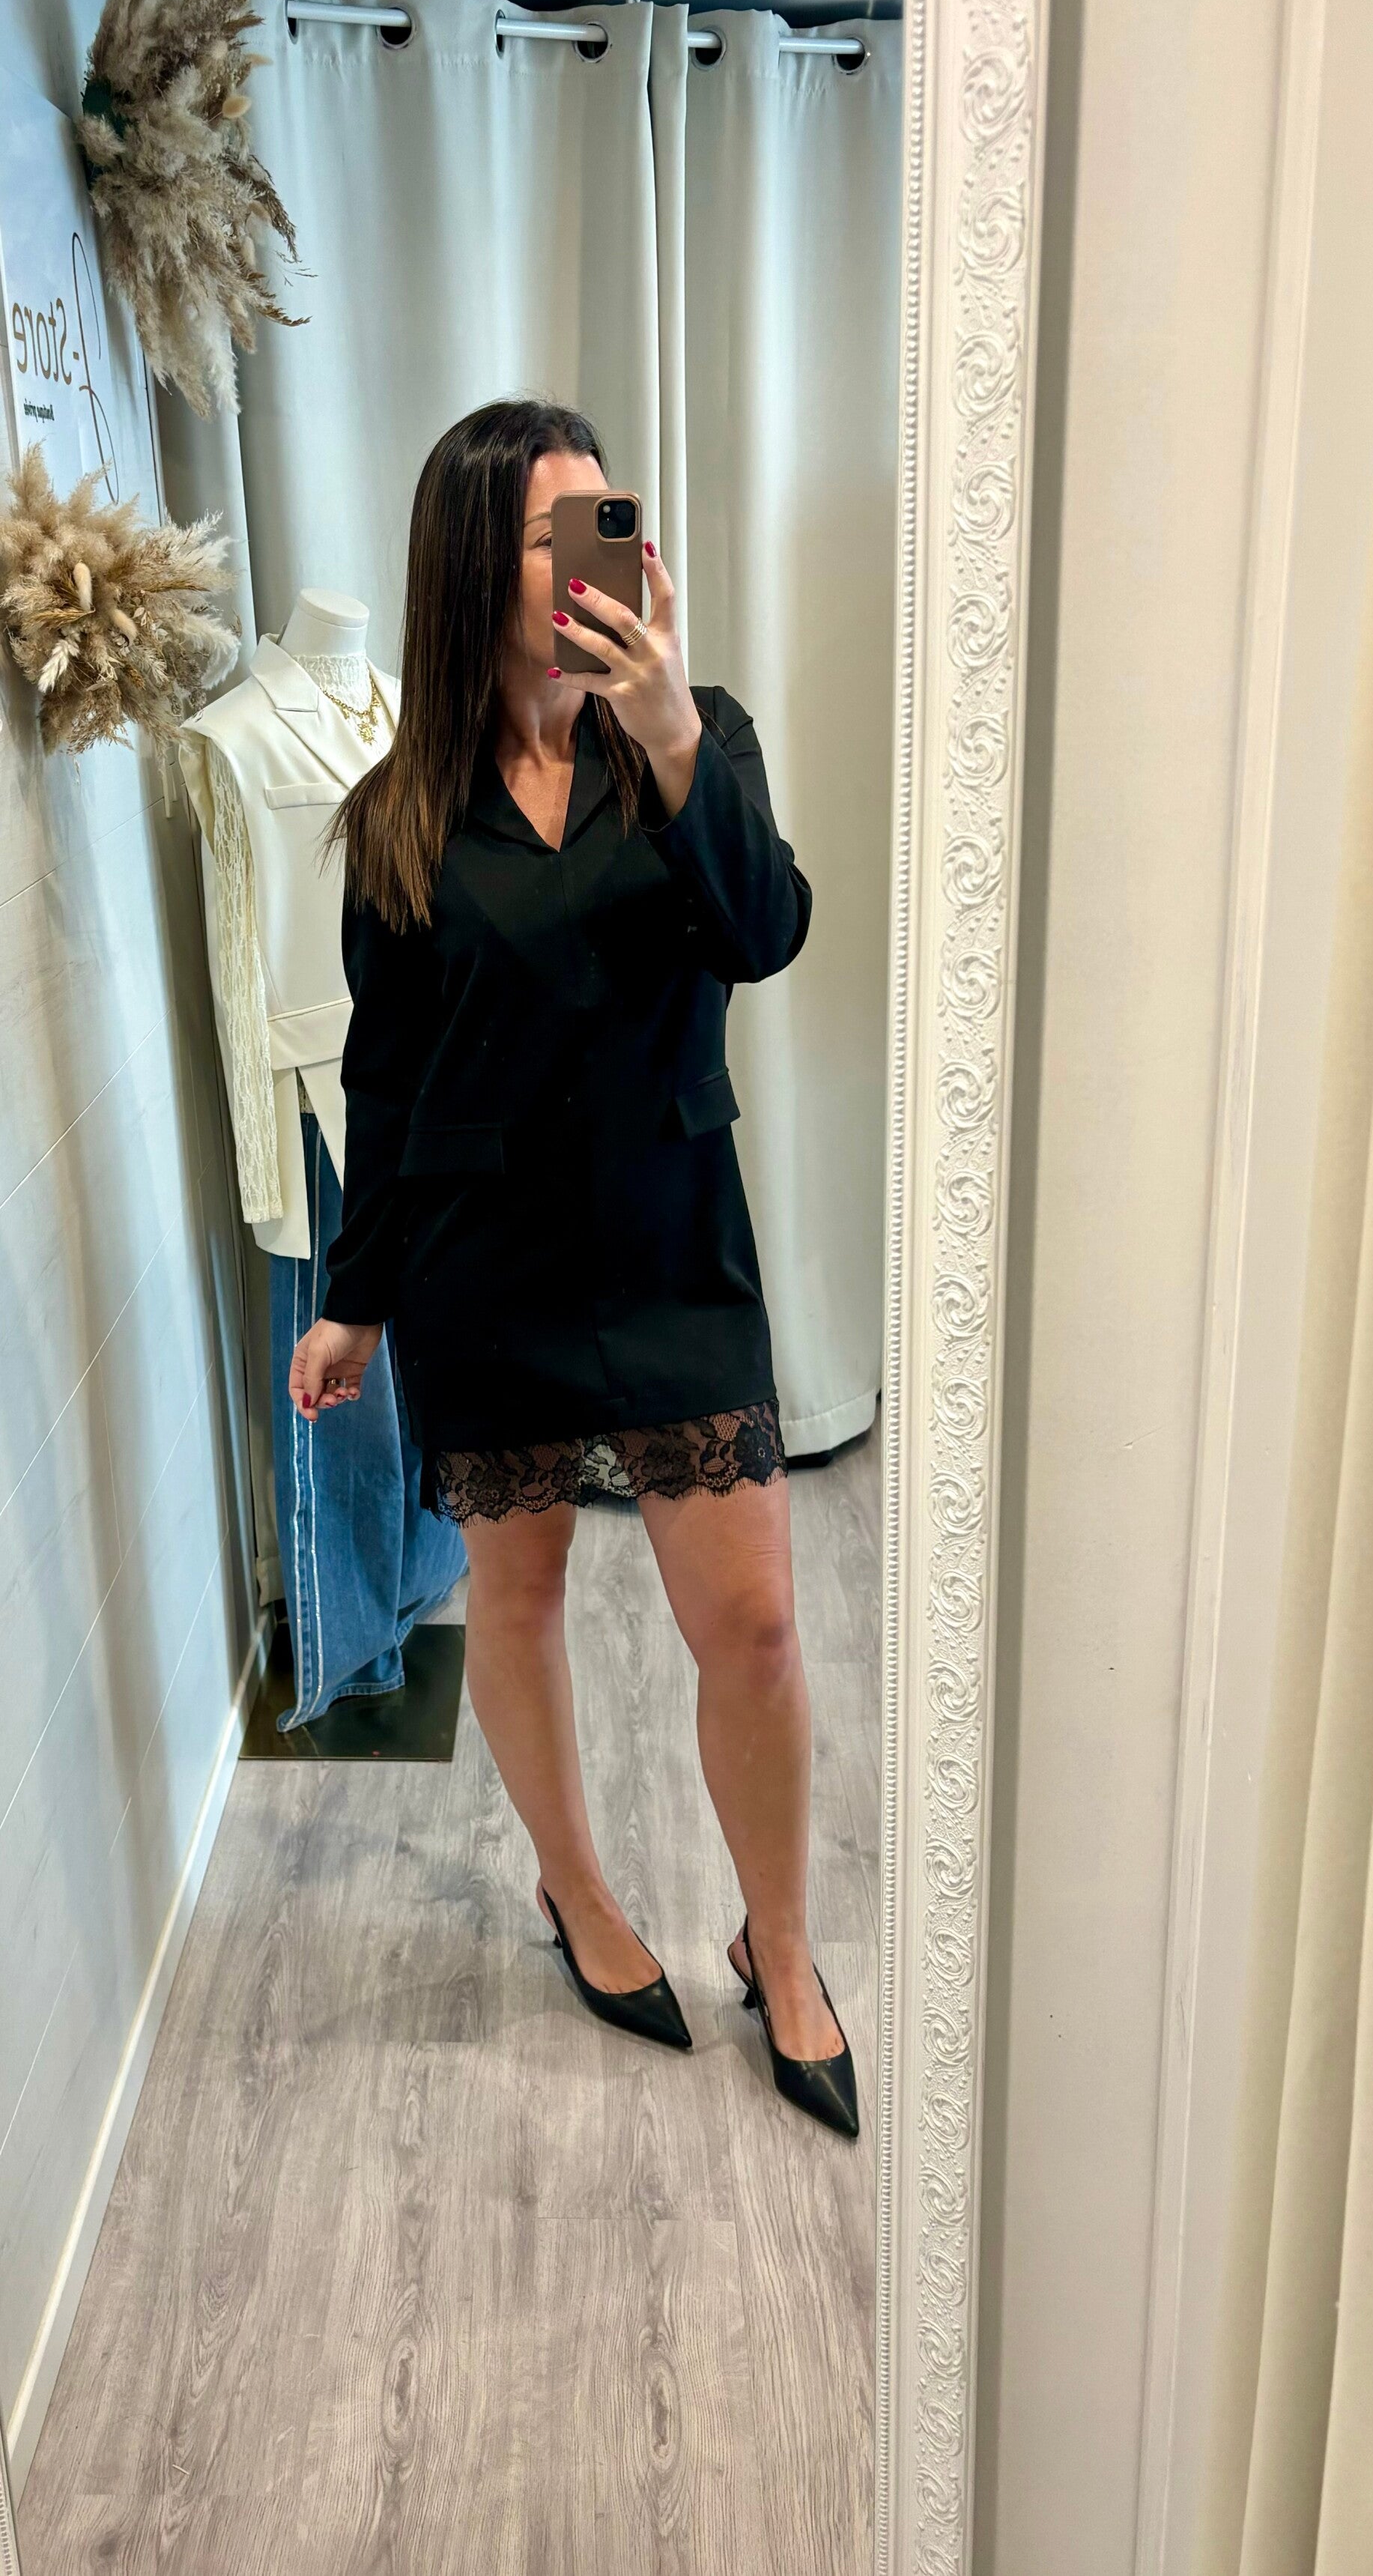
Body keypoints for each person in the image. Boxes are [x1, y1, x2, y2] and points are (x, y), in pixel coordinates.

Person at [288, 399, 858, 2140]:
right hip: (487, 1268)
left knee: (752, 1623)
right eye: (557, 530)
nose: (601, 554)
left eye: (608, 518)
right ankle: (578, 1888)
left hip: (675, 1248)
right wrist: (356, 1296)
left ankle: (777, 1940)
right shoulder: (400, 818)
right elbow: (387, 1086)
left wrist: (670, 729)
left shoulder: (693, 736)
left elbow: (765, 930)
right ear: (479, 563)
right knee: (518, 1600)